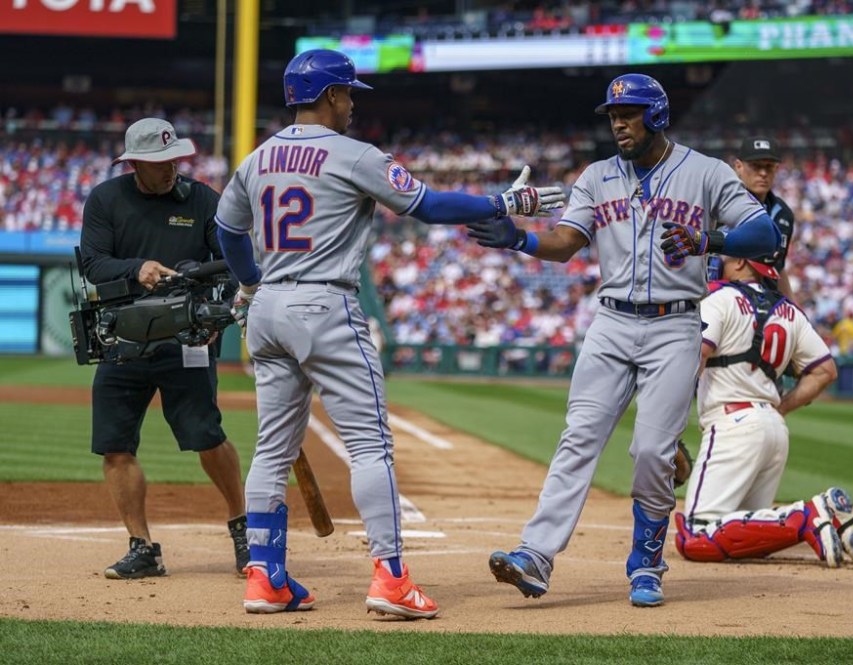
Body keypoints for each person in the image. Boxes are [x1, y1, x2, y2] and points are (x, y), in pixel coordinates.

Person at [214, 49, 564, 617]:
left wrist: (251, 283)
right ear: (330, 96)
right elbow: (427, 206)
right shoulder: (354, 154)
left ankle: (265, 578)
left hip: (269, 307)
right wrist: (506, 201)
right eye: (348, 93)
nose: (352, 103)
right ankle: (392, 579)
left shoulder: (255, 160)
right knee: (370, 446)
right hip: (325, 303)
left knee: (272, 451)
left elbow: (228, 231)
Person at [466, 73, 780, 607]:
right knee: (578, 439)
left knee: (654, 453)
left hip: (675, 324)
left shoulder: (703, 172)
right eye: (613, 115)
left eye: (628, 114)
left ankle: (647, 563)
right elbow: (567, 241)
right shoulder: (596, 176)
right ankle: (535, 556)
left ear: (655, 116)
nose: (617, 123)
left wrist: (709, 238)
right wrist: (519, 238)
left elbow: (766, 235)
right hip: (611, 322)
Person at [80, 117, 248, 580]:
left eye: (175, 158)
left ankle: (243, 530)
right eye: (159, 162)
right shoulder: (105, 199)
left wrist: (215, 314)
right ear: (134, 163)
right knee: (115, 446)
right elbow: (94, 264)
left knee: (206, 436)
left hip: (186, 338)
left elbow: (233, 265)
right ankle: (142, 547)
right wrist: (138, 268)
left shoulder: (203, 200)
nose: (171, 167)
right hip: (122, 338)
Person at [673, 255, 853, 567]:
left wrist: (668, 426)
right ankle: (829, 518)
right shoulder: (789, 311)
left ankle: (807, 516)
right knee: (750, 530)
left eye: (725, 258)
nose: (718, 263)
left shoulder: (720, 298)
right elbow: (826, 372)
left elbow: (694, 357)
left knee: (695, 536)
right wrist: (781, 409)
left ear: (741, 263)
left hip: (732, 424)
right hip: (774, 428)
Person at [733, 136, 796, 297]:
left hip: (766, 305)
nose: (763, 173)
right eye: (756, 166)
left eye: (769, 167)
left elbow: (778, 267)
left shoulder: (783, 213)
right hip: (724, 301)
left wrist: (795, 310)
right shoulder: (719, 206)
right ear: (738, 166)